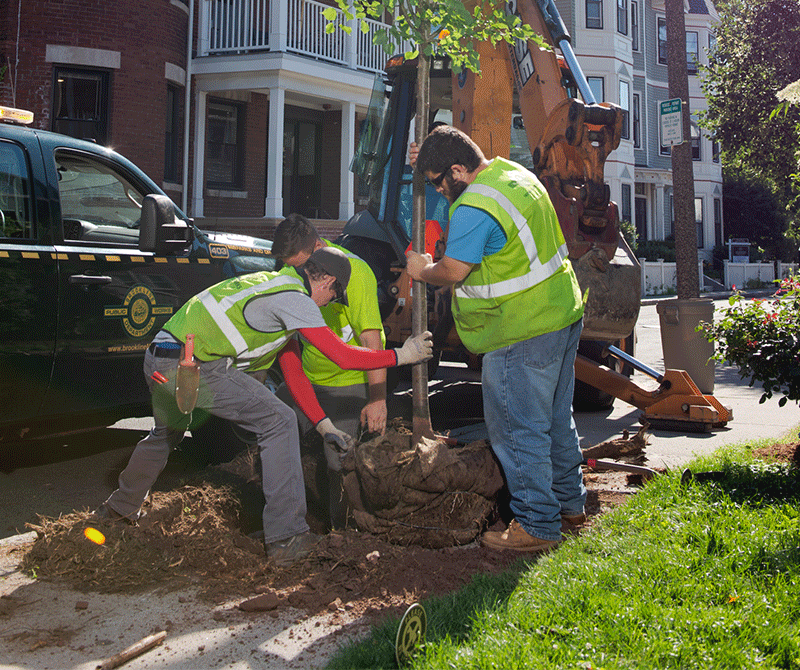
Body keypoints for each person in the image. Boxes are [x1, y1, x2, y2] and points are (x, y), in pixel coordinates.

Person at [95, 247, 432, 565]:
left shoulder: (273, 284)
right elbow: (341, 355)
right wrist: (403, 355)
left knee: (165, 435)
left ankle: (119, 510)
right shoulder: (296, 300)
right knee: (279, 421)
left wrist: (323, 425)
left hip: (161, 359)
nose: (329, 304)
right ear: (327, 281)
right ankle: (288, 540)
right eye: (333, 296)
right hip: (194, 366)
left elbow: (293, 372)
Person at [405, 125, 586, 553]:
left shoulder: (473, 207)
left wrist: (421, 270)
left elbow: (452, 271)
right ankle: (570, 505)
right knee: (557, 420)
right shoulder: (513, 175)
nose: (437, 193)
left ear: (456, 171)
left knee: (517, 430)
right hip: (561, 314)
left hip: (519, 330)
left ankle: (538, 526)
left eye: (436, 183)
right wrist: (424, 153)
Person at [270, 214, 387, 528]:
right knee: (271, 428)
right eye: (293, 268)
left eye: (305, 268)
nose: (301, 276)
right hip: (308, 377)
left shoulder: (354, 271)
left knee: (338, 457)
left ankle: (342, 532)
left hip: (345, 382)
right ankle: (283, 519)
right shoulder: (290, 271)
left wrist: (377, 398)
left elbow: (370, 338)